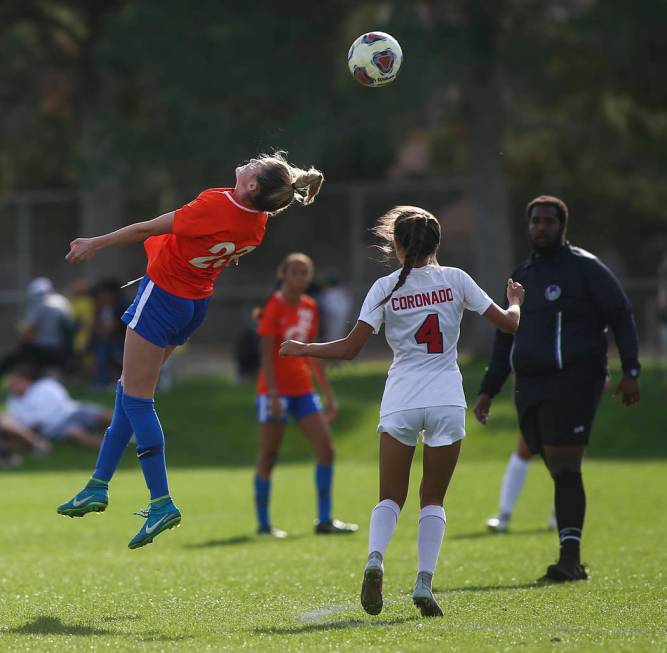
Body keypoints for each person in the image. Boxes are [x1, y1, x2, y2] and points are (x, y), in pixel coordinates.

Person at [56, 151, 325, 550]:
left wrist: (96, 243)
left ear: (252, 186)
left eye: (255, 165)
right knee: (128, 391)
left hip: (163, 299)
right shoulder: (258, 220)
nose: (249, 161)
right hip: (193, 305)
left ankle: (160, 501)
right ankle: (97, 484)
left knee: (137, 399)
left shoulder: (217, 203)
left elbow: (144, 229)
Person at [280, 205, 524, 617]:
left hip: (402, 400)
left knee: (390, 497)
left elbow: (349, 349)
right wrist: (515, 301)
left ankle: (375, 559)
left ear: (396, 245)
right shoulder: (456, 279)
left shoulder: (385, 287)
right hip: (446, 399)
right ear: (437, 243)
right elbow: (508, 324)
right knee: (433, 499)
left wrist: (304, 348)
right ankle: (423, 583)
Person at [474, 195, 640, 582]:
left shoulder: (585, 269)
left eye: (548, 221)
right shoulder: (523, 277)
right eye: (535, 222)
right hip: (528, 386)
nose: (540, 228)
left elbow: (621, 315)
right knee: (551, 463)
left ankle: (570, 559)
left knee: (565, 468)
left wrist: (630, 370)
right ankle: (570, 550)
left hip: (574, 381)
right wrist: (488, 389)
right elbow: (503, 338)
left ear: (562, 226)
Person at [254, 253, 357, 538]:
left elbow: (312, 353)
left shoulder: (311, 306)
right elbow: (265, 352)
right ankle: (264, 524)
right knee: (269, 455)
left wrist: (328, 393)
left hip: (303, 390)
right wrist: (273, 394)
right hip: (274, 392)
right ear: (283, 274)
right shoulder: (272, 305)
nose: (300, 277)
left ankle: (324, 519)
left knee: (326, 449)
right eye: (295, 272)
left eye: (305, 272)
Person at [2, 364, 110, 449]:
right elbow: (26, 424)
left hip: (71, 411)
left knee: (100, 414)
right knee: (76, 434)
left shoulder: (45, 385)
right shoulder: (13, 402)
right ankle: (109, 448)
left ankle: (124, 428)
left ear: (24, 380)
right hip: (55, 427)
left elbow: (61, 401)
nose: (11, 385)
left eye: (14, 381)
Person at [0, 277, 75, 377]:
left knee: (13, 357)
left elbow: (29, 330)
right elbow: (70, 324)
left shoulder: (39, 304)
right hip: (62, 349)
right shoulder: (62, 301)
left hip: (42, 349)